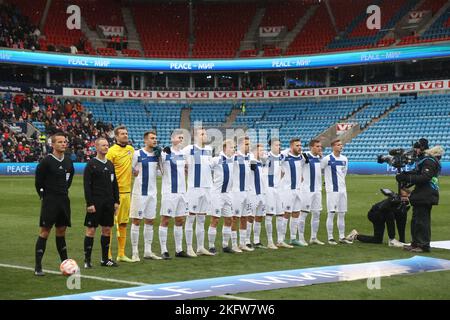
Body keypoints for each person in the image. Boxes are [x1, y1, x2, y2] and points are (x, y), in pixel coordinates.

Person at [34, 132, 74, 276]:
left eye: (65, 141)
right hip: (50, 202)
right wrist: (45, 196)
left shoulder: (69, 161)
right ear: (53, 144)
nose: (63, 144)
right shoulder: (46, 162)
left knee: (61, 232)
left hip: (64, 201)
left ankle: (65, 265)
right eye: (60, 142)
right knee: (45, 232)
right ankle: (38, 266)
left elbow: (69, 180)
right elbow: (38, 182)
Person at [397, 145, 444, 253]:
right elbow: (418, 174)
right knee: (416, 221)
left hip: (425, 194)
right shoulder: (430, 161)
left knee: (422, 221)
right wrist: (406, 175)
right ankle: (416, 243)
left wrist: (406, 177)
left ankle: (423, 245)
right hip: (422, 194)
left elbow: (424, 177)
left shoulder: (429, 162)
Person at [83, 138, 120, 268]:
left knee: (107, 230)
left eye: (107, 145)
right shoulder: (91, 164)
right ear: (96, 147)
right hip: (95, 203)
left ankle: (105, 259)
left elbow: (114, 184)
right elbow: (87, 186)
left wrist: (116, 201)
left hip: (108, 203)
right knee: (91, 230)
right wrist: (89, 203)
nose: (106, 147)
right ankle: (87, 260)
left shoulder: (110, 164)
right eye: (103, 145)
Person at [130, 131, 162, 261]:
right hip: (139, 193)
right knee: (136, 221)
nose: (155, 140)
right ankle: (135, 251)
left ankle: (148, 251)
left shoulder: (157, 154)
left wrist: (161, 158)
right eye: (152, 138)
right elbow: (130, 169)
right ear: (145, 140)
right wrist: (134, 172)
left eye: (155, 138)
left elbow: (162, 172)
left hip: (152, 193)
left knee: (150, 221)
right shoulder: (137, 154)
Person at [183, 128, 214, 257]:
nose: (205, 135)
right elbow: (179, 161)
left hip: (207, 188)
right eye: (202, 134)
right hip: (194, 188)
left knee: (201, 219)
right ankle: (189, 247)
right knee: (190, 218)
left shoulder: (209, 150)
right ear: (196, 136)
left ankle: (200, 247)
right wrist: (185, 166)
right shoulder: (189, 149)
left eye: (205, 133)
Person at [106, 126, 135, 263]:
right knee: (110, 225)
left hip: (127, 192)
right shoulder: (111, 152)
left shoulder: (131, 150)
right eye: (122, 134)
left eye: (126, 133)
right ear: (116, 136)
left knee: (123, 224)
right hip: (114, 194)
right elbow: (106, 172)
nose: (125, 135)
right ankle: (108, 254)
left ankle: (121, 254)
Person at [159, 129, 189, 259]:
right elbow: (157, 156)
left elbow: (186, 169)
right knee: (165, 219)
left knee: (180, 220)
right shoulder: (165, 153)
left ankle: (179, 249)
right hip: (169, 192)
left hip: (182, 192)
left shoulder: (183, 154)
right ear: (172, 139)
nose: (181, 139)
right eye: (179, 137)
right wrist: (161, 152)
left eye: (182, 138)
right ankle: (164, 250)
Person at [321, 139, 352, 245]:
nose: (341, 146)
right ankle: (330, 237)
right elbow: (320, 170)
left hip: (343, 190)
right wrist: (327, 181)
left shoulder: (344, 159)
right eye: (338, 145)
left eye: (341, 145)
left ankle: (342, 237)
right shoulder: (327, 159)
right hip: (332, 190)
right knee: (331, 213)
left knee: (342, 213)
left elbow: (344, 172)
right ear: (333, 146)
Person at [208, 139, 235, 254]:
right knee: (215, 219)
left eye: (234, 148)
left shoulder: (233, 160)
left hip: (227, 194)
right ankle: (211, 245)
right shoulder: (217, 159)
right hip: (217, 194)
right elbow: (205, 168)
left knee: (229, 219)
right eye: (231, 147)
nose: (233, 150)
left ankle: (225, 245)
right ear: (224, 148)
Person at [279, 138, 304, 248]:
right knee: (286, 214)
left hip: (298, 190)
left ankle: (293, 238)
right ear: (291, 147)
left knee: (296, 213)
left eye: (300, 145)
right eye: (297, 145)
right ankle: (281, 240)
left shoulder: (301, 156)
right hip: (287, 190)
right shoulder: (285, 156)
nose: (299, 147)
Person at [299, 139, 324, 245]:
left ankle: (313, 237)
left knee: (317, 213)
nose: (320, 148)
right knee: (303, 214)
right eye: (317, 146)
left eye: (320, 146)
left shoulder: (319, 158)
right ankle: (300, 238)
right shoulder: (304, 156)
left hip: (317, 190)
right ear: (311, 147)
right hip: (306, 190)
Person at [231, 136, 253, 252]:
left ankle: (242, 243)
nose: (248, 146)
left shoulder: (249, 157)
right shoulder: (234, 157)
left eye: (249, 144)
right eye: (246, 144)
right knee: (235, 218)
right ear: (240, 145)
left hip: (247, 192)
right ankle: (234, 244)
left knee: (245, 217)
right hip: (236, 192)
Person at [263, 138, 284, 250]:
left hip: (278, 189)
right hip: (269, 189)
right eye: (276, 145)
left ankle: (280, 241)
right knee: (269, 215)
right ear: (271, 146)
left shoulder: (281, 157)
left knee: (280, 214)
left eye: (279, 145)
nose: (278, 147)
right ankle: (270, 242)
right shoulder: (266, 157)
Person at [248, 143, 267, 249]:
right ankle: (246, 241)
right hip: (252, 194)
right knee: (250, 217)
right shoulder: (251, 161)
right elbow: (251, 162)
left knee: (259, 217)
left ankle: (256, 240)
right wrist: (252, 154)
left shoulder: (260, 162)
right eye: (260, 151)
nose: (263, 152)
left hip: (261, 194)